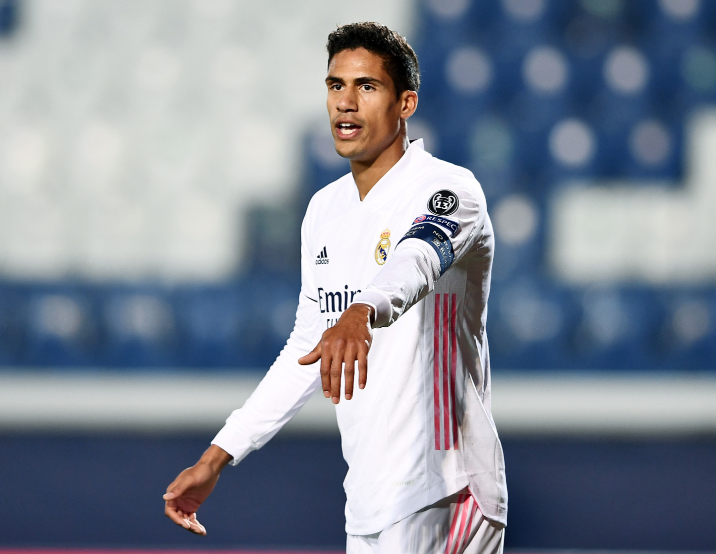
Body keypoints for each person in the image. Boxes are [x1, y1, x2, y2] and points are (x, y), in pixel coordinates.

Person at [163, 22, 507, 553]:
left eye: (367, 86)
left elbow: (417, 257)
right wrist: (218, 455)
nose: (346, 102)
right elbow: (307, 348)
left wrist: (362, 309)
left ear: (405, 103)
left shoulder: (449, 189)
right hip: (368, 502)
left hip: (447, 486)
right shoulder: (324, 211)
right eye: (335, 85)